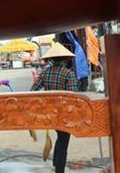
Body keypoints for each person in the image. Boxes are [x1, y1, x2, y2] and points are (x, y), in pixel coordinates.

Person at [30, 42, 79, 173]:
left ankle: (55, 163)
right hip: (64, 113)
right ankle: (59, 169)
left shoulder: (45, 72)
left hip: (49, 112)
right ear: (64, 59)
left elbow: (33, 90)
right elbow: (73, 96)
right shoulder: (68, 74)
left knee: (60, 136)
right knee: (64, 141)